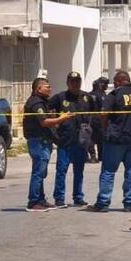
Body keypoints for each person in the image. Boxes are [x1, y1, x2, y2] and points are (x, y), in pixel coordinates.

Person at [88, 71, 131, 213]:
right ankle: (129, 203)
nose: (113, 85)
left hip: (116, 138)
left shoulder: (114, 95)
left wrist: (104, 129)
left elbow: (104, 114)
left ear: (119, 82)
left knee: (108, 170)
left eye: (114, 82)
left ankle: (103, 203)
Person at [24, 77, 73, 212]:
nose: (50, 89)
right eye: (47, 87)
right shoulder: (36, 103)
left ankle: (40, 199)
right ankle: (33, 202)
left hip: (44, 141)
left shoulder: (43, 102)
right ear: (38, 89)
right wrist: (61, 119)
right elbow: (44, 122)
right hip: (38, 141)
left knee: (41, 172)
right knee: (38, 172)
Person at [49, 71, 92, 207]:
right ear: (68, 83)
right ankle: (59, 198)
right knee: (62, 170)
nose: (75, 84)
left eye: (77, 81)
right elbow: (47, 111)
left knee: (79, 170)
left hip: (81, 141)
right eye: (72, 81)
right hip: (65, 140)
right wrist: (54, 132)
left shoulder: (86, 97)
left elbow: (96, 114)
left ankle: (78, 197)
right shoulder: (60, 98)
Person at [88, 76, 110, 163]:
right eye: (106, 84)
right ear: (101, 85)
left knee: (91, 138)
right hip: (99, 119)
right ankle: (100, 155)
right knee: (101, 137)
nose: (107, 86)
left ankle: (93, 155)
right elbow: (104, 107)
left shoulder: (88, 94)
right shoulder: (102, 95)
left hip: (90, 118)